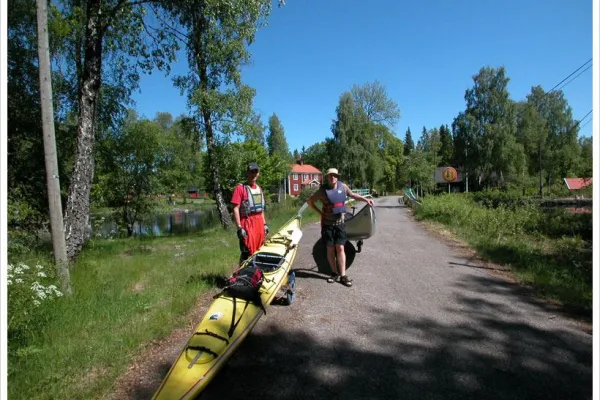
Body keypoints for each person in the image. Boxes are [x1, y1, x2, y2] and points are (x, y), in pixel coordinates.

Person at [307, 168, 374, 287]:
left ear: (337, 177)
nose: (332, 177)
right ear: (327, 177)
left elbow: (353, 194)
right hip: (328, 225)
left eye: (334, 175)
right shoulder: (322, 191)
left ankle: (343, 275)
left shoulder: (343, 187)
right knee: (330, 249)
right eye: (330, 175)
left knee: (341, 248)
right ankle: (333, 273)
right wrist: (319, 212)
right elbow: (310, 201)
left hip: (340, 224)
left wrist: (365, 199)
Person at [231, 162, 269, 265]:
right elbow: (235, 208)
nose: (254, 174)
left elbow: (261, 210)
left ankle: (255, 273)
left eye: (256, 171)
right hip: (247, 224)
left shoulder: (259, 189)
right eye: (251, 171)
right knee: (246, 252)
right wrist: (239, 227)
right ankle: (241, 274)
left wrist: (264, 224)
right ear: (247, 173)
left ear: (258, 173)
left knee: (259, 250)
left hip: (259, 223)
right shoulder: (240, 188)